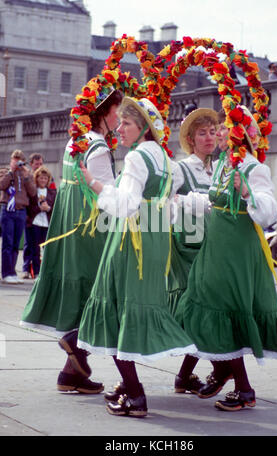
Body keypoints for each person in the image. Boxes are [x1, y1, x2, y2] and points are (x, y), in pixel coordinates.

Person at [77, 96, 197, 418]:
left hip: (131, 241)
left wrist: (96, 185)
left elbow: (127, 204)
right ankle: (128, 388)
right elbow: (169, 211)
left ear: (143, 126)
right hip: (155, 241)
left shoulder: (136, 158)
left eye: (126, 124)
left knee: (115, 308)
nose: (119, 129)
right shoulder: (165, 159)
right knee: (132, 308)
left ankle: (135, 394)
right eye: (118, 124)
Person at [174, 105, 277, 412]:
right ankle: (224, 371)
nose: (219, 134)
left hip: (237, 250)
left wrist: (246, 191)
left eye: (224, 129)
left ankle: (242, 387)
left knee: (222, 307)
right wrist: (180, 201)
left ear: (240, 134)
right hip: (216, 246)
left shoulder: (253, 168)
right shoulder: (223, 164)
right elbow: (212, 204)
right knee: (199, 304)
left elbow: (267, 211)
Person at [20, 88, 123, 394]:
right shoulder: (99, 147)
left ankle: (71, 374)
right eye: (117, 110)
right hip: (92, 228)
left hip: (70, 226)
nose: (120, 116)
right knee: (101, 290)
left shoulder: (74, 141)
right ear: (103, 112)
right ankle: (77, 341)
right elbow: (109, 194)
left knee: (85, 288)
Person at [167, 108, 218, 317]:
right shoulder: (181, 169)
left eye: (213, 132)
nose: (209, 138)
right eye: (202, 133)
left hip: (214, 245)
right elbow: (168, 200)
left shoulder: (219, 169)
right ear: (191, 139)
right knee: (191, 299)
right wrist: (190, 202)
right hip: (189, 246)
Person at [0, 149, 36, 284]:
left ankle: (12, 272)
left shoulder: (26, 174)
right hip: (8, 210)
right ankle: (6, 272)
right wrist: (11, 171)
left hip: (21, 211)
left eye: (20, 160)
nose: (18, 163)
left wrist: (27, 177)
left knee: (15, 243)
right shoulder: (5, 172)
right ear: (11, 160)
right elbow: (1, 185)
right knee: (8, 243)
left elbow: (33, 193)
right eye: (15, 160)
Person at [22, 166, 57, 279]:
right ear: (37, 179)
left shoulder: (52, 192)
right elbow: (30, 208)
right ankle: (36, 272)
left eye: (45, 178)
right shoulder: (33, 192)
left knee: (47, 249)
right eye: (41, 178)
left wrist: (48, 209)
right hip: (35, 223)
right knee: (35, 249)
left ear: (48, 180)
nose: (43, 180)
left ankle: (47, 272)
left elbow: (55, 209)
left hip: (47, 224)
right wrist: (39, 208)